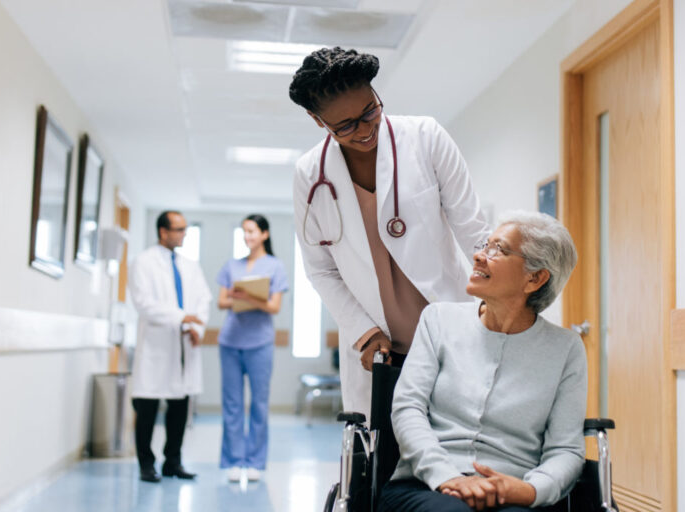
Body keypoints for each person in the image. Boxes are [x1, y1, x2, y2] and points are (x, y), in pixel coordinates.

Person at [289, 47, 491, 417]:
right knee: (379, 448)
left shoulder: (425, 137)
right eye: (346, 126)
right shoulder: (309, 174)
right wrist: (363, 332)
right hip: (376, 350)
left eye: (370, 111)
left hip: (447, 332)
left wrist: (504, 301)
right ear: (317, 120)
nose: (366, 130)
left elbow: (474, 231)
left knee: (455, 443)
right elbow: (320, 268)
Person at [379, 211, 586, 512]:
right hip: (425, 485)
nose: (478, 256)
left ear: (535, 278)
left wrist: (529, 490)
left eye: (498, 249)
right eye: (485, 245)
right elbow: (408, 408)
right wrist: (447, 477)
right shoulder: (438, 320)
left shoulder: (565, 349)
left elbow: (566, 448)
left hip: (514, 493)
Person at [129, 211, 212, 483]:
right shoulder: (143, 262)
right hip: (157, 344)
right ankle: (146, 464)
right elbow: (143, 303)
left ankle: (172, 462)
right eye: (179, 229)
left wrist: (197, 328)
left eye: (185, 228)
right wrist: (181, 317)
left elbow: (203, 300)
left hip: (184, 344)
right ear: (163, 232)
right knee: (147, 408)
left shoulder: (190, 265)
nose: (184, 234)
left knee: (179, 407)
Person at [215, 214, 289, 482]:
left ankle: (255, 462)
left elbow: (274, 306)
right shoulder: (231, 266)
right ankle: (234, 461)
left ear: (264, 234)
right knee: (232, 405)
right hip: (230, 342)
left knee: (259, 404)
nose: (247, 236)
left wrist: (248, 298)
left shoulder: (275, 266)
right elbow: (221, 302)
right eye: (244, 231)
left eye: (252, 231)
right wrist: (241, 298)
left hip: (260, 344)